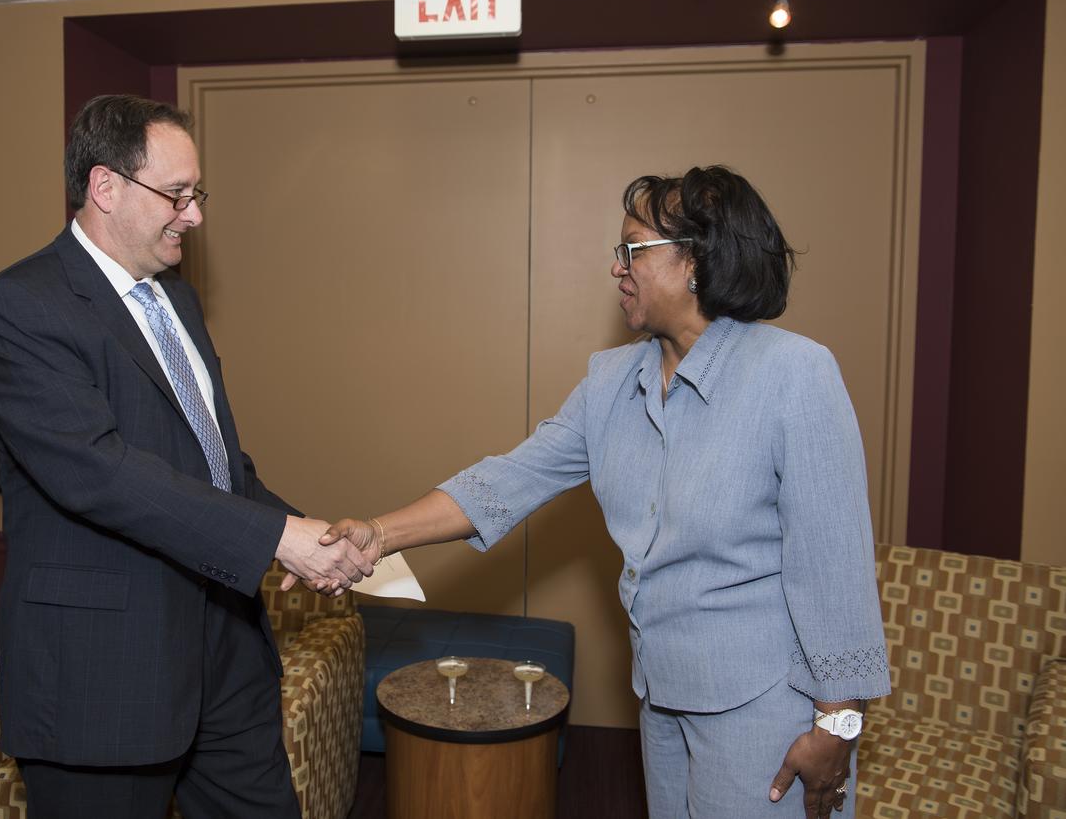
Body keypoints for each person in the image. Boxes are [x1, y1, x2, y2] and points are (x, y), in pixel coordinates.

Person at [318, 166, 890, 819]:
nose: (616, 267)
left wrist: (837, 725)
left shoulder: (794, 373)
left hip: (762, 704)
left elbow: (834, 565)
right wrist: (377, 532)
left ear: (696, 258)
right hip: (660, 696)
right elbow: (506, 480)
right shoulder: (611, 381)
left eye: (632, 249)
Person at [0, 94, 372, 819]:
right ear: (105, 186)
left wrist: (312, 535)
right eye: (177, 194)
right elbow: (101, 472)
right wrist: (281, 539)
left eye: (197, 193)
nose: (195, 214)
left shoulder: (174, 301)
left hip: (226, 647)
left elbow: (217, 465)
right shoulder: (19, 307)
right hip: (105, 670)